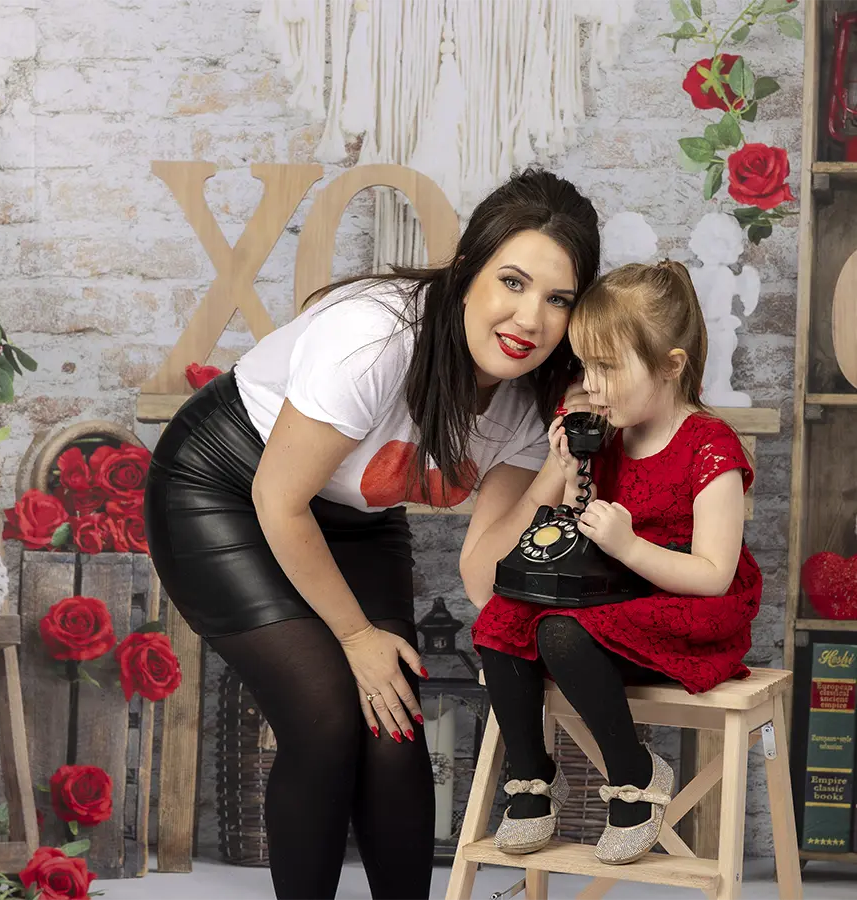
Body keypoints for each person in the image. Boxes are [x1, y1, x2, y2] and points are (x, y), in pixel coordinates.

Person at [143, 167, 601, 900]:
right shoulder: (376, 335)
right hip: (226, 488)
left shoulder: (528, 397)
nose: (530, 320)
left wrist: (553, 462)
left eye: (557, 300)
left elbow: (486, 576)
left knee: (393, 728)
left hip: (351, 520)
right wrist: (355, 638)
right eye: (512, 283)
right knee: (326, 711)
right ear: (466, 273)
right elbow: (280, 499)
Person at [471, 260, 762, 865]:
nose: (592, 384)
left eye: (607, 368)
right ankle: (529, 781)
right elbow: (565, 532)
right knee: (499, 623)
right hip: (610, 592)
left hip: (685, 604)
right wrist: (567, 468)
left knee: (562, 632)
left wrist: (630, 547)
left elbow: (714, 574)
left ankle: (633, 780)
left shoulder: (709, 447)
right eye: (585, 366)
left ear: (670, 366)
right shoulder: (605, 433)